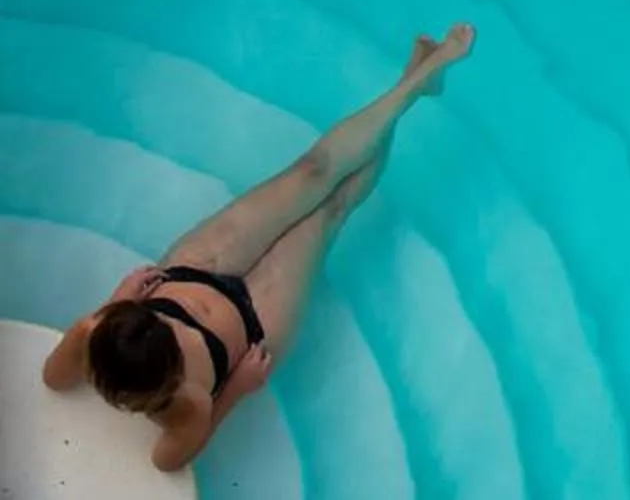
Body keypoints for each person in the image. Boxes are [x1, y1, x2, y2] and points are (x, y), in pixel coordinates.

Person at [39, 28, 475, 474]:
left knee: (312, 171)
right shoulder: (184, 404)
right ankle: (416, 86)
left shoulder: (93, 333)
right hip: (253, 327)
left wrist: (119, 303)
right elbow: (167, 461)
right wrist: (236, 389)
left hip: (191, 270)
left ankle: (413, 85)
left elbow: (52, 377)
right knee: (331, 209)